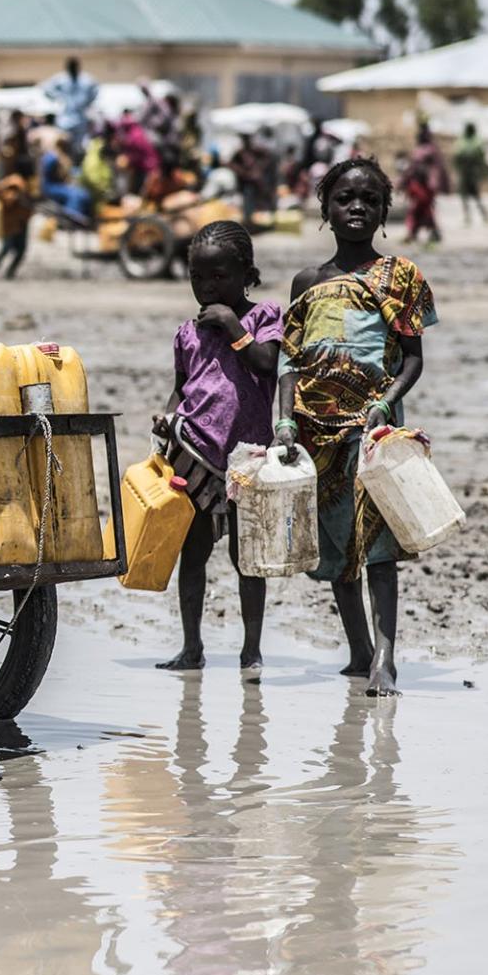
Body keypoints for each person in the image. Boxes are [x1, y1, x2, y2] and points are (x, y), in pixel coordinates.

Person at [275, 157, 436, 697]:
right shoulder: (307, 281)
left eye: (369, 199)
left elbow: (413, 358)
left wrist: (387, 404)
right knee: (337, 549)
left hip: (373, 434)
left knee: (380, 549)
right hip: (314, 434)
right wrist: (282, 422)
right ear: (324, 208)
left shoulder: (401, 276)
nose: (357, 208)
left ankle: (385, 661)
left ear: (385, 211)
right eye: (345, 198)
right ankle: (358, 652)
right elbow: (290, 363)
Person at [152, 221, 282, 672]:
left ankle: (251, 650)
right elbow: (181, 388)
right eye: (198, 278)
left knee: (247, 558)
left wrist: (232, 326)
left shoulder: (263, 317)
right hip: (197, 454)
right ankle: (192, 647)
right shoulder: (188, 333)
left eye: (219, 277)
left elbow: (268, 365)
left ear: (246, 273)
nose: (207, 287)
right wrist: (167, 419)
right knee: (194, 551)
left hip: (248, 459)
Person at [42, 57, 99, 158]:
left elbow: (95, 90)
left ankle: (78, 169)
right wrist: (58, 98)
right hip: (65, 120)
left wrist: (87, 103)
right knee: (63, 147)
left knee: (81, 149)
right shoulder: (61, 79)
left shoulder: (86, 79)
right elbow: (45, 88)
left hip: (80, 120)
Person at [0, 172, 33, 279]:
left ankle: (10, 272)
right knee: (6, 248)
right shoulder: (7, 186)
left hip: (22, 224)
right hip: (10, 225)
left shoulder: (25, 189)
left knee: (21, 251)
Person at [452, 122, 488, 225]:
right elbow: (456, 157)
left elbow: (481, 156)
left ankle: (484, 216)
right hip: (465, 172)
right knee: (465, 197)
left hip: (472, 172)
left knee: (476, 196)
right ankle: (468, 217)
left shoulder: (476, 141)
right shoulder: (463, 141)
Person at [400, 156, 439, 245]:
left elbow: (410, 194)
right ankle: (414, 235)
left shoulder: (415, 186)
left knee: (416, 222)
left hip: (419, 207)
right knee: (421, 222)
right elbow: (431, 196)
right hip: (422, 208)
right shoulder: (423, 187)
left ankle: (414, 235)